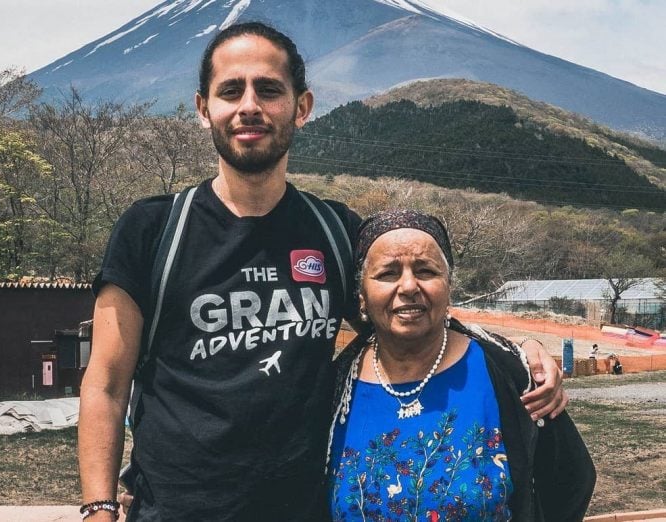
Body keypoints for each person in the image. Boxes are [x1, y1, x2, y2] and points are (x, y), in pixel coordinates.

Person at [78, 22, 567, 522]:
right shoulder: (153, 229)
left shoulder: (334, 230)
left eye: (269, 89)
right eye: (231, 90)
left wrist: (521, 348)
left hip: (306, 507)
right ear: (204, 109)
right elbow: (106, 384)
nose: (250, 105)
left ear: (301, 107)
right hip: (176, 511)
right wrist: (98, 506)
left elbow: (408, 316)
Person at [329, 210, 595, 521]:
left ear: (449, 284)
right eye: (388, 273)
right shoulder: (333, 387)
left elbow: (572, 480)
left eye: (426, 271)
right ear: (361, 295)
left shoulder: (509, 370)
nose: (408, 286)